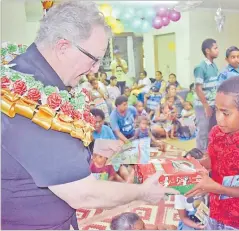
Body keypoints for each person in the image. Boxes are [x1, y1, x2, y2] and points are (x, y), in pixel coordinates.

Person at [1, 2, 178, 230]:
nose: (96, 69)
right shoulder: (28, 103)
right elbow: (84, 194)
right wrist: (143, 192)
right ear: (63, 47)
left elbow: (47, 151)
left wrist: (98, 148)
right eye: (93, 59)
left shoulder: (23, 68)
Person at [186, 77, 239, 230]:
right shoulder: (217, 133)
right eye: (217, 110)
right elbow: (213, 160)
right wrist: (197, 165)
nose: (218, 119)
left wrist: (214, 187)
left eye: (225, 113)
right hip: (216, 209)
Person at [193, 38, 219, 153]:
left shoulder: (214, 66)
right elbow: (198, 88)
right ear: (208, 51)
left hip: (213, 104)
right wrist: (206, 106)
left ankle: (209, 155)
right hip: (203, 106)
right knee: (203, 131)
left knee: (211, 131)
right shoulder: (201, 67)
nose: (218, 50)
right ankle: (200, 155)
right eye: (215, 48)